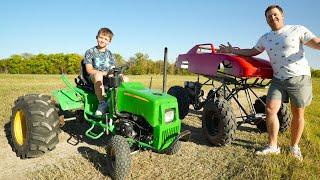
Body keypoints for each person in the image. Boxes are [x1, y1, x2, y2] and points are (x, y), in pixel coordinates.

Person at [218, 5, 320, 160]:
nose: (272, 18)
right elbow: (252, 51)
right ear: (266, 20)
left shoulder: (297, 29)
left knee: (298, 114)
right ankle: (273, 146)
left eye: (275, 14)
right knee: (270, 110)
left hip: (299, 78)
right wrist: (232, 51)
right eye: (269, 16)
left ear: (282, 15)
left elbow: (316, 43)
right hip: (278, 79)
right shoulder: (265, 37)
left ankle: (294, 147)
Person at [83, 27, 128, 116]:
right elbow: (89, 70)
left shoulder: (110, 54)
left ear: (109, 41)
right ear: (97, 37)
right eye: (101, 38)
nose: (102, 40)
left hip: (107, 76)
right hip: (93, 77)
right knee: (98, 74)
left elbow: (113, 68)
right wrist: (104, 73)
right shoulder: (90, 52)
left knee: (124, 78)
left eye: (106, 39)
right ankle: (102, 103)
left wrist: (118, 74)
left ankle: (118, 101)